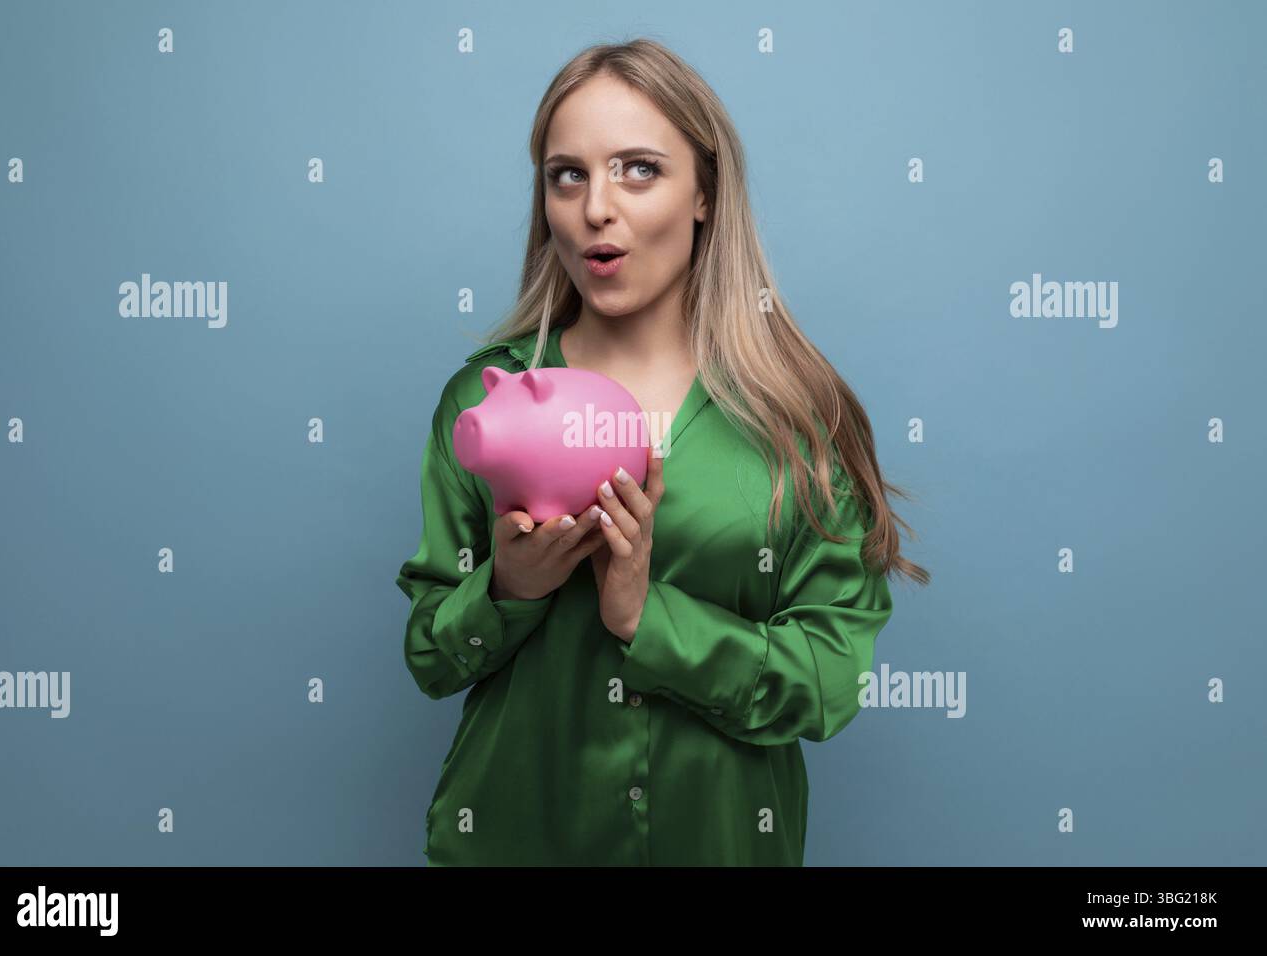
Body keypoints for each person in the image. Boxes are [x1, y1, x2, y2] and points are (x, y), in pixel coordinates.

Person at [397, 38, 929, 866]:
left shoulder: (796, 415)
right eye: (566, 174)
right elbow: (430, 655)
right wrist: (507, 588)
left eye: (638, 169)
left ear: (705, 194)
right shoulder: (486, 401)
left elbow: (831, 681)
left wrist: (650, 618)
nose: (595, 208)